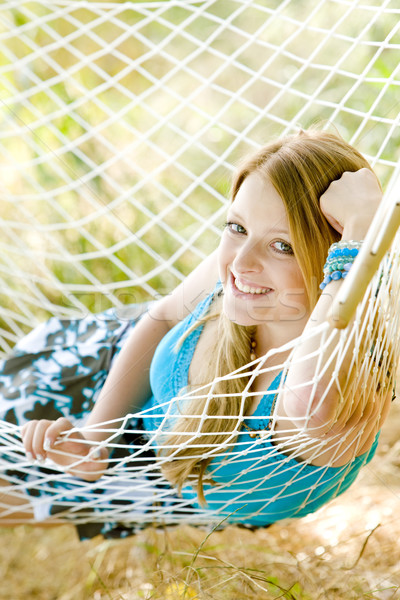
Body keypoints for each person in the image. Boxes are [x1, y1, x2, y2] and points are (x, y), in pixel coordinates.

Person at [0, 129, 394, 539]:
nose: (240, 264)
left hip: (143, 477)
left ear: (340, 253)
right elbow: (167, 316)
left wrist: (367, 230)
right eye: (236, 227)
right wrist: (94, 437)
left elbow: (310, 404)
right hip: (97, 374)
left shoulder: (337, 380)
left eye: (283, 247)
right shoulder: (248, 282)